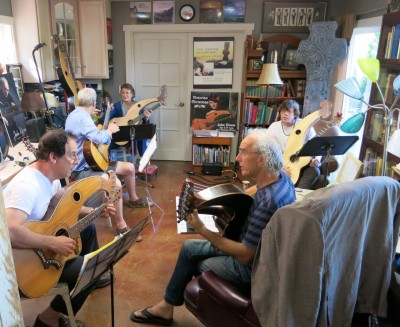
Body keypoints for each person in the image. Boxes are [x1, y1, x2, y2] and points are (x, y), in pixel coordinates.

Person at [130, 130, 296, 325]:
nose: (237, 158)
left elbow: (245, 255)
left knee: (197, 264)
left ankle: (184, 309)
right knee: (188, 248)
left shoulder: (269, 202)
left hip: (251, 270)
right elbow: (254, 193)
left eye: (243, 152)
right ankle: (166, 307)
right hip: (263, 253)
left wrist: (202, 228)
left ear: (262, 160)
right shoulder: (280, 179)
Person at [4, 130, 115, 327]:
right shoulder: (27, 186)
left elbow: (59, 210)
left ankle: (85, 282)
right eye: (72, 154)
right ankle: (48, 318)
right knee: (91, 268)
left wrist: (97, 210)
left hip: (37, 246)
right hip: (22, 266)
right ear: (53, 157)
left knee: (88, 231)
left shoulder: (51, 178)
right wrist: (52, 242)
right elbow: (10, 231)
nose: (76, 160)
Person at [65, 88, 151, 230]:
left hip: (93, 162)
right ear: (93, 103)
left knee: (129, 167)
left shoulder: (76, 114)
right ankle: (121, 226)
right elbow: (101, 138)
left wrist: (96, 119)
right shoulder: (82, 118)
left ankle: (133, 199)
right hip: (82, 169)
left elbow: (89, 134)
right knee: (115, 184)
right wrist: (110, 129)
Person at [266, 99, 321, 189]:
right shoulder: (274, 127)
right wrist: (280, 167)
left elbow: (316, 144)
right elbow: (267, 149)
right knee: (275, 172)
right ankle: (286, 192)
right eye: (283, 111)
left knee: (315, 171)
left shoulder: (304, 125)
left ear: (295, 113)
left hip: (302, 161)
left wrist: (316, 160)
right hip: (282, 162)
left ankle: (297, 193)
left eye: (289, 111)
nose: (285, 114)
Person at [105, 83, 151, 155]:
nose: (124, 95)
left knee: (142, 137)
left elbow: (144, 123)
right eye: (122, 93)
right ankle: (109, 163)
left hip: (135, 134)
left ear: (132, 94)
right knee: (108, 145)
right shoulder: (116, 106)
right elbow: (106, 119)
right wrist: (109, 110)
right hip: (121, 134)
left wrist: (147, 117)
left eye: (127, 93)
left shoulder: (138, 106)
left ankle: (143, 159)